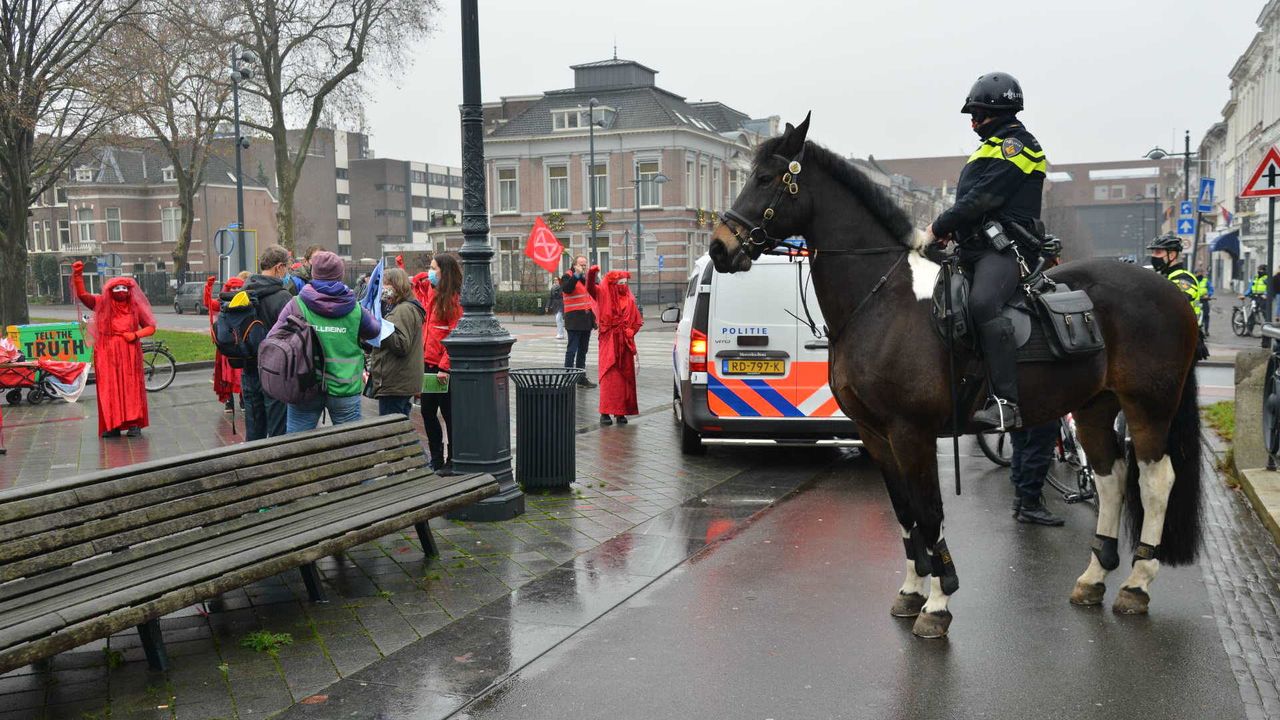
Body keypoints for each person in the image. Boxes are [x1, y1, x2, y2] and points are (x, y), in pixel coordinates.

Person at [926, 71, 1047, 431]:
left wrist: (937, 227)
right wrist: (954, 231)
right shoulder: (988, 146)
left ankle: (1007, 403)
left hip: (1007, 250)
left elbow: (984, 199)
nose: (973, 122)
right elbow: (972, 207)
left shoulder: (1018, 145)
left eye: (977, 114)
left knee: (982, 303)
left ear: (998, 111)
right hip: (975, 247)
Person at [271, 251, 381, 432]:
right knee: (350, 442)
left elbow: (273, 337)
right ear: (340, 275)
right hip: (344, 386)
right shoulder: (355, 309)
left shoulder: (297, 304)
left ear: (313, 273)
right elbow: (375, 331)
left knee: (297, 444)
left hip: (305, 385)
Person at [1007, 236, 1064, 527]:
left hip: (1015, 378)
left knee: (1021, 438)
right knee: (1041, 436)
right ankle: (1029, 502)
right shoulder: (1041, 286)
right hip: (1037, 376)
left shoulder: (1008, 283)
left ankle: (1021, 498)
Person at [71, 261, 156, 437]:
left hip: (129, 353)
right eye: (117, 288)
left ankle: (133, 423)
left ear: (129, 290)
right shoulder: (101, 303)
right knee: (109, 388)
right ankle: (112, 424)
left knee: (131, 387)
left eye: (124, 288)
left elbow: (150, 326)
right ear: (110, 290)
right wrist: (78, 276)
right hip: (106, 353)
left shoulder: (134, 306)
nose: (121, 291)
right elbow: (83, 295)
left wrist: (135, 334)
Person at [413, 253, 462, 473]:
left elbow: (454, 334)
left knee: (449, 414)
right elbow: (417, 285)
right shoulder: (433, 294)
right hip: (428, 364)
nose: (430, 272)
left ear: (445, 272)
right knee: (428, 411)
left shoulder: (453, 299)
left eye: (434, 268)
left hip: (441, 368)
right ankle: (436, 458)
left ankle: (452, 458)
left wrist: (445, 366)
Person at [241, 245, 294, 440]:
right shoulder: (283, 297)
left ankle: (254, 459)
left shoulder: (244, 292)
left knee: (254, 431)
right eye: (287, 267)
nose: (287, 272)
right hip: (275, 372)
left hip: (249, 369)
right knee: (278, 432)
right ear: (279, 267)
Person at [367, 268, 425, 418]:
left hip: (395, 381)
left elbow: (401, 345)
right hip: (400, 380)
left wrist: (380, 328)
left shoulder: (403, 310)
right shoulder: (405, 308)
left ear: (396, 285)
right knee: (401, 424)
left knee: (392, 425)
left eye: (385, 284)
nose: (383, 289)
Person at [588, 268, 643, 425]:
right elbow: (590, 288)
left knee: (624, 378)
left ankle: (621, 413)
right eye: (620, 283)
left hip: (624, 343)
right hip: (609, 342)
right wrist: (591, 274)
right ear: (613, 284)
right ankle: (605, 412)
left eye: (625, 283)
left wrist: (631, 331)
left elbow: (636, 321)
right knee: (608, 377)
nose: (623, 286)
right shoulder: (603, 294)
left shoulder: (629, 299)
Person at [204, 275, 246, 413]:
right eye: (233, 287)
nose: (236, 290)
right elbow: (209, 304)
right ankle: (229, 400)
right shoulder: (221, 303)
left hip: (241, 344)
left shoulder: (246, 302)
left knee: (241, 372)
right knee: (225, 374)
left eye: (238, 287)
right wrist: (208, 288)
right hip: (226, 344)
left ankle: (243, 399)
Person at [560, 255, 598, 388]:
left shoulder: (585, 278)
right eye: (581, 264)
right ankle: (568, 377)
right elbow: (567, 288)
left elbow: (591, 296)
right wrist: (576, 275)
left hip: (586, 320)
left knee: (583, 351)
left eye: (585, 264)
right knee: (572, 350)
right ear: (574, 265)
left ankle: (581, 378)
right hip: (574, 320)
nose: (583, 267)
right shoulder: (567, 276)